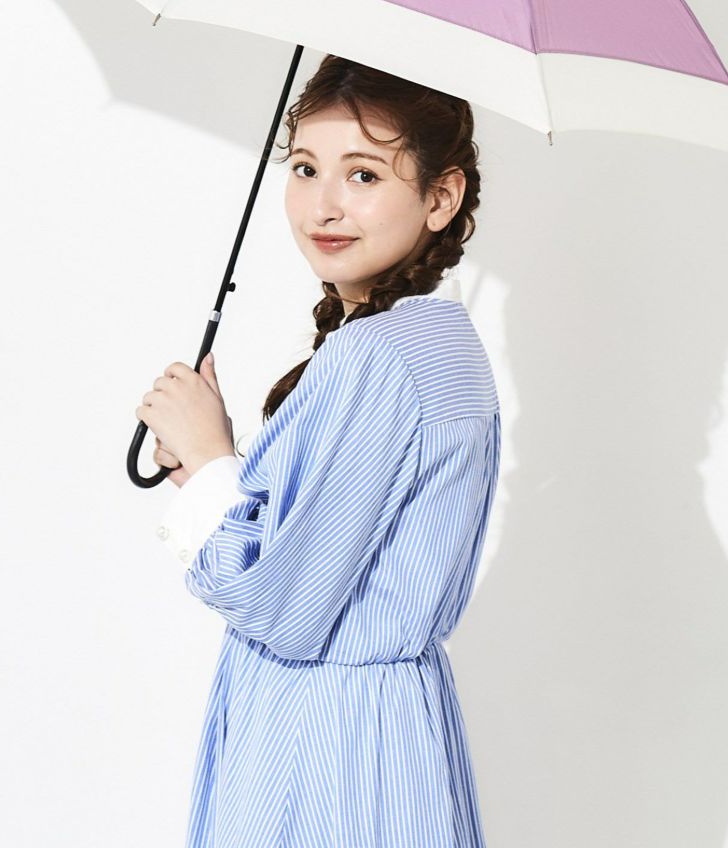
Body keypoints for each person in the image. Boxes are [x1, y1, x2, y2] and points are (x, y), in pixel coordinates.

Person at [137, 53, 501, 847]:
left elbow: (284, 607)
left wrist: (213, 463)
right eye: (305, 168)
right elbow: (334, 555)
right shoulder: (440, 343)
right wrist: (210, 473)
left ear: (441, 197)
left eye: (363, 175)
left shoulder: (376, 356)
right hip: (384, 735)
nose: (323, 205)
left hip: (327, 747)